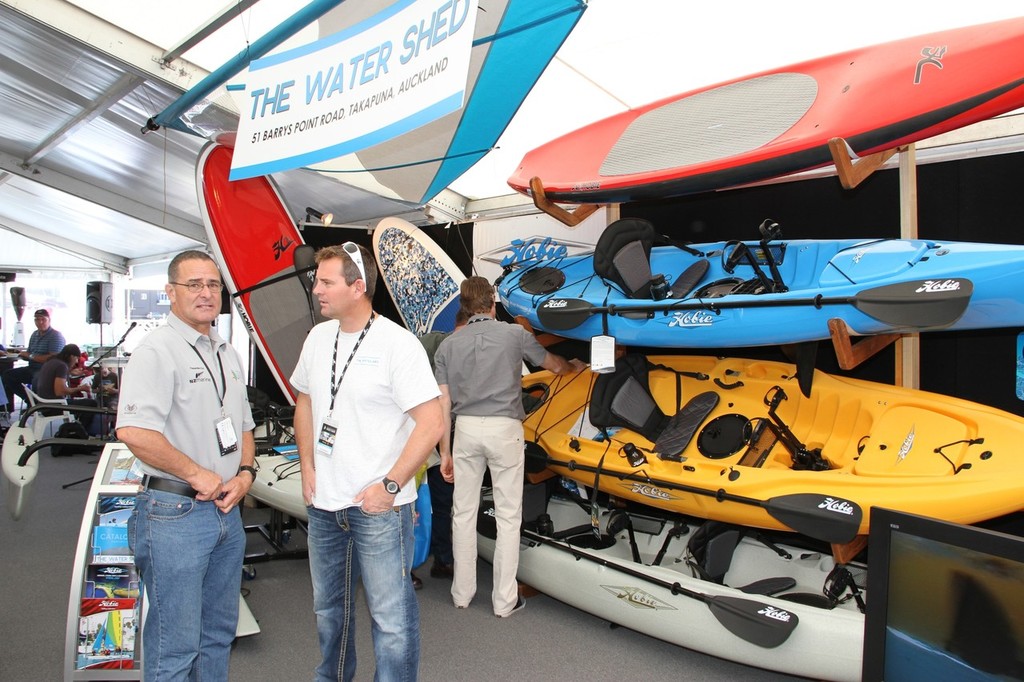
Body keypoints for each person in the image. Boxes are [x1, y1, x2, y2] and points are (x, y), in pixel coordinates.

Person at [291, 242, 443, 682]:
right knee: (328, 612)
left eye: (325, 282)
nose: (316, 289)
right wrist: (308, 466)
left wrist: (391, 486)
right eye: (316, 280)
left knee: (391, 620)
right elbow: (304, 402)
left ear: (357, 287)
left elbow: (431, 421)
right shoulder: (318, 338)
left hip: (379, 507)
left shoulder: (399, 344)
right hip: (324, 505)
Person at [116, 250, 256, 681]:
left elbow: (244, 425)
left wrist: (245, 475)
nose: (206, 293)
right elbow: (134, 432)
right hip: (173, 513)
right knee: (174, 647)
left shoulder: (226, 351)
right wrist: (199, 475)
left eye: (213, 285)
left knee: (217, 635)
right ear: (170, 293)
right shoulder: (156, 351)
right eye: (193, 284)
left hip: (225, 512)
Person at [434, 276, 584, 617]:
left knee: (463, 514)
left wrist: (445, 451)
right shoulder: (514, 334)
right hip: (505, 430)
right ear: (492, 303)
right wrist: (573, 366)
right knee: (508, 515)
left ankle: (461, 593)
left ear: (464, 306)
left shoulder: (447, 346)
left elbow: (443, 402)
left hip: (466, 431)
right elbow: (552, 365)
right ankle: (504, 602)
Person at [416, 309, 471, 581]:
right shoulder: (430, 346)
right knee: (409, 502)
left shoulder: (436, 345)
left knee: (442, 500)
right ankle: (409, 565)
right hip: (416, 437)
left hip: (440, 441)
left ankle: (443, 559)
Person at [2, 308, 66, 409]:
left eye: (43, 319)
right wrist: (22, 355)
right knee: (7, 375)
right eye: (37, 319)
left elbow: (53, 359)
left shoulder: (56, 336)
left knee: (37, 379)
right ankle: (31, 401)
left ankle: (40, 407)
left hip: (47, 370)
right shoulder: (34, 334)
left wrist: (30, 356)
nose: (40, 322)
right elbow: (29, 354)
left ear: (49, 320)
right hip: (32, 367)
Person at [34, 343, 99, 435]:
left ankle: (76, 427)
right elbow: (60, 391)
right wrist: (80, 388)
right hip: (53, 406)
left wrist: (70, 372)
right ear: (71, 356)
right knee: (91, 403)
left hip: (44, 404)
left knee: (80, 403)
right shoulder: (62, 366)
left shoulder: (52, 361)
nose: (76, 362)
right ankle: (82, 433)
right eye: (76, 358)